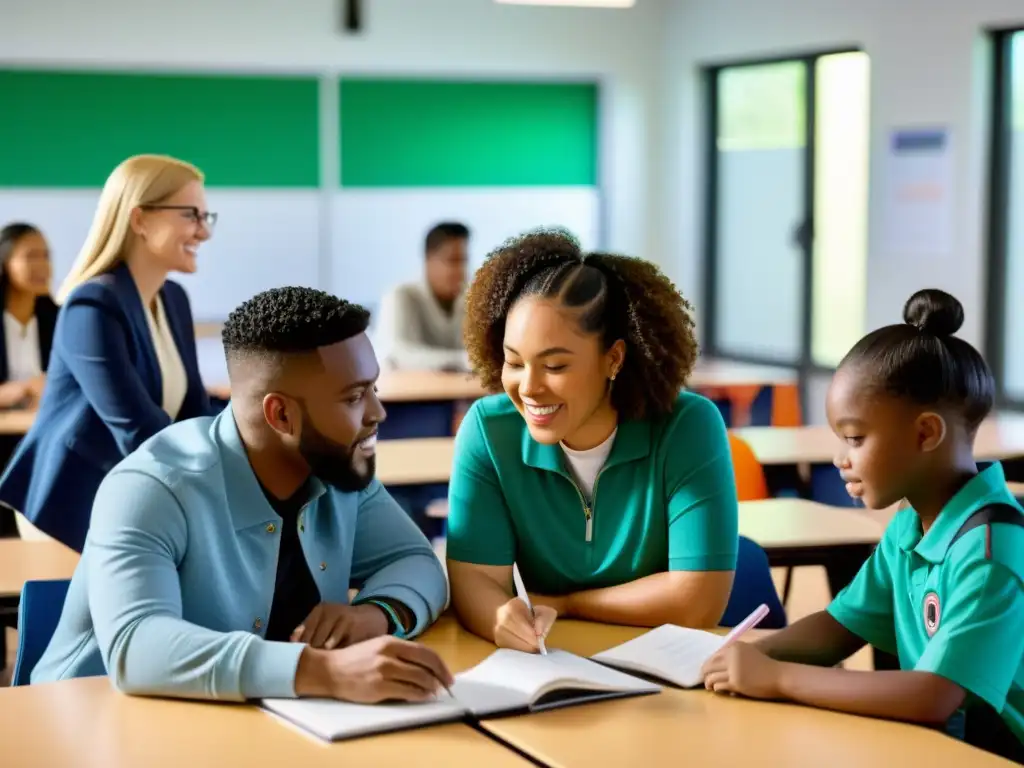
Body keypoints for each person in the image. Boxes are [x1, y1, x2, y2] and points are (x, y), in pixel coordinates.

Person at [30, 286, 453, 703]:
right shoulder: (150, 487)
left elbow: (415, 560)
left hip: (244, 725)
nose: (378, 413)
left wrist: (373, 615)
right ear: (281, 414)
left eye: (373, 389)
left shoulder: (337, 471)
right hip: (91, 727)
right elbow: (136, 645)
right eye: (355, 397)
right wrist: (323, 670)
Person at [701, 289, 1024, 762]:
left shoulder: (993, 548)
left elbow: (933, 696)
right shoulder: (911, 523)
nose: (840, 459)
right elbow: (839, 626)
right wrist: (751, 658)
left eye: (855, 438)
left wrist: (777, 678)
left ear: (926, 433)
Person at [446, 230, 739, 652]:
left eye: (555, 365)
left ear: (613, 359)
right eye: (514, 362)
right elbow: (474, 578)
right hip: (555, 665)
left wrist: (568, 604)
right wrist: (499, 618)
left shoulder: (688, 426)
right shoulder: (489, 432)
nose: (528, 387)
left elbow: (697, 600)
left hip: (668, 673)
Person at [0, 154, 223, 552]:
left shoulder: (173, 299)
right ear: (139, 220)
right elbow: (137, 428)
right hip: (70, 505)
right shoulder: (92, 305)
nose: (203, 232)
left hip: (129, 499)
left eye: (206, 217)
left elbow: (192, 412)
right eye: (191, 215)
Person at [375, 221, 470, 371]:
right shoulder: (401, 295)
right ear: (428, 260)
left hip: (458, 391)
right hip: (404, 391)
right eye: (452, 261)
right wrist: (465, 361)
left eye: (464, 261)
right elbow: (398, 355)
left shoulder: (470, 298)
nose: (460, 270)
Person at [0, 223, 56, 410]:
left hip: (45, 431)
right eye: (31, 256)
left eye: (45, 256)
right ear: (4, 262)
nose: (42, 265)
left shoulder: (60, 321)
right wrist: (18, 390)